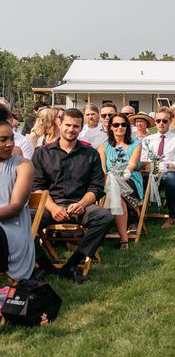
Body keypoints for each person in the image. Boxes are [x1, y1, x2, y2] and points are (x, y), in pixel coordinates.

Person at [31, 109, 111, 284]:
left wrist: (82, 204)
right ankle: (44, 264)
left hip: (80, 205)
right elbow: (37, 187)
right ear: (59, 124)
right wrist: (52, 208)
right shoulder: (41, 153)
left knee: (104, 217)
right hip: (49, 204)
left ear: (81, 128)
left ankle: (72, 264)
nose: (71, 129)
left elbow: (96, 187)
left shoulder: (91, 154)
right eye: (68, 125)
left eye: (76, 126)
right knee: (22, 220)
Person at [97, 113, 143, 251]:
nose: (120, 127)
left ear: (127, 127)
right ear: (110, 127)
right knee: (116, 193)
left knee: (115, 188)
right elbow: (103, 168)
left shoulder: (136, 144)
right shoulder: (103, 146)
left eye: (123, 124)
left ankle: (100, 234)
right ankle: (124, 239)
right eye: (116, 124)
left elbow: (131, 165)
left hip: (130, 181)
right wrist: (109, 178)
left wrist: (118, 177)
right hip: (110, 184)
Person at [0, 120, 35, 282]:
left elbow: (15, 207)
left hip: (11, 227)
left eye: (12, 138)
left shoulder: (23, 165)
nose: (9, 144)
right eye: (3, 140)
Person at [141, 107, 175, 229]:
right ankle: (137, 216)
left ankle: (173, 216)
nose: (161, 123)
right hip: (150, 172)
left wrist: (166, 165)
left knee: (170, 178)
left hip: (168, 171)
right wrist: (152, 167)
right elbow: (143, 160)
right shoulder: (147, 140)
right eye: (158, 120)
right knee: (137, 180)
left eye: (164, 121)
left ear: (171, 121)